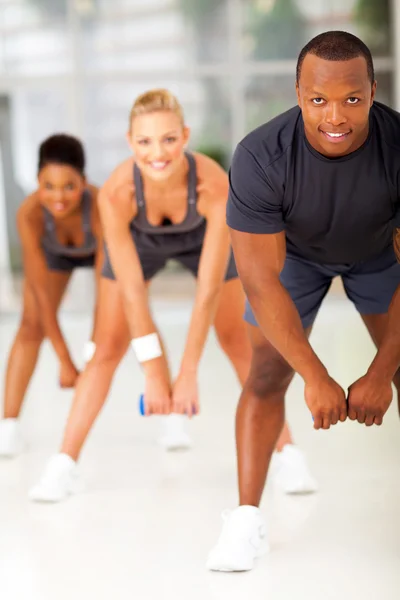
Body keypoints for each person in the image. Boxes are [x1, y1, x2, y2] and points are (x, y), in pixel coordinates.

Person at [28, 89, 316, 502]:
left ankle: (288, 454)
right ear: (130, 142)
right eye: (144, 142)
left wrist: (188, 373)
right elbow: (132, 291)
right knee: (107, 348)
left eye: (167, 139)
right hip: (139, 243)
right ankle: (64, 465)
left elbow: (207, 288)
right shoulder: (117, 195)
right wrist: (152, 370)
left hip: (202, 242)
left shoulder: (213, 184)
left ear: (184, 136)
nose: (157, 152)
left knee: (238, 341)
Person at [207, 30, 400, 572]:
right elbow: (259, 279)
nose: (335, 116)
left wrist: (382, 369)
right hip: (295, 260)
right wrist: (315, 375)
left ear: (372, 91)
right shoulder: (261, 157)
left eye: (352, 100)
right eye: (318, 100)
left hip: (381, 255)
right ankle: (245, 520)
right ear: (297, 94)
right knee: (267, 374)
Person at [0, 134, 102, 458]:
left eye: (69, 186)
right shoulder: (30, 214)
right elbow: (41, 293)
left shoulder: (101, 205)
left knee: (127, 321)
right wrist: (64, 361)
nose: (58, 197)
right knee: (30, 326)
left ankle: (174, 417)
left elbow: (108, 293)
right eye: (48, 186)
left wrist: (91, 353)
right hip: (54, 258)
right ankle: (8, 429)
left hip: (101, 253)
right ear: (37, 183)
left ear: (83, 182)